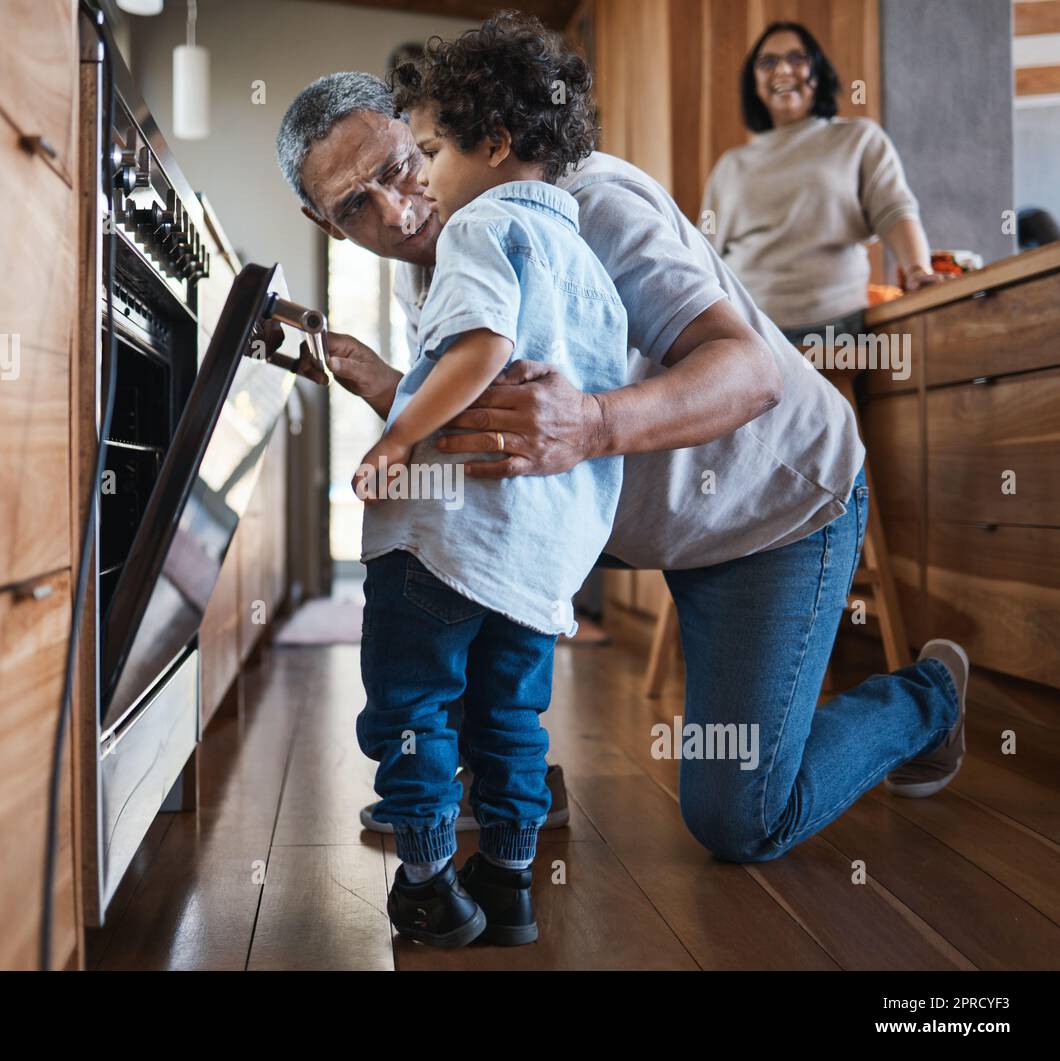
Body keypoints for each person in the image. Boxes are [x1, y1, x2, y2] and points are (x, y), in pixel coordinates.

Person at [272, 18, 967, 887]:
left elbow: (751, 373)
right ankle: (510, 780)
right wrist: (382, 384)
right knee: (464, 569)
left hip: (771, 507)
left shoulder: (589, 201)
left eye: (401, 165)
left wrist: (593, 425)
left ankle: (930, 697)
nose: (395, 208)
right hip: (646, 515)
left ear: (427, 132)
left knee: (740, 818)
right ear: (325, 224)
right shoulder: (434, 255)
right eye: (354, 207)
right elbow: (502, 425)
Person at [349, 14, 630, 948]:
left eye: (428, 149)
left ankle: (427, 878)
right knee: (511, 714)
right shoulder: (585, 262)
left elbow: (481, 347)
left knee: (414, 704)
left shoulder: (479, 223)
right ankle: (508, 879)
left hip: (442, 533)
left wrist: (396, 443)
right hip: (537, 553)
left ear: (496, 143)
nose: (418, 177)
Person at [701, 21, 943, 344]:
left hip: (834, 330)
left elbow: (894, 211)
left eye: (797, 58)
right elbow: (705, 255)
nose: (783, 69)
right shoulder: (730, 166)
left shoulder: (857, 138)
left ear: (819, 72)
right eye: (767, 62)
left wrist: (916, 270)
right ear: (755, 84)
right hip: (748, 332)